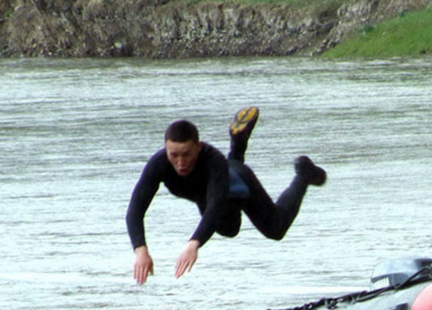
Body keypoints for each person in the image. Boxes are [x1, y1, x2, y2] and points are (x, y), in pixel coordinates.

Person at [126, 109, 327, 284]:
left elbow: (215, 205)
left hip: (238, 184)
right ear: (166, 149)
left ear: (199, 146)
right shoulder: (158, 164)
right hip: (209, 191)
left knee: (274, 229)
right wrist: (140, 250)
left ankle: (302, 175)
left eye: (186, 154)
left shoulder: (213, 161)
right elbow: (135, 210)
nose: (180, 162)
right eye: (174, 155)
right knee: (228, 228)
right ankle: (238, 141)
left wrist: (193, 243)